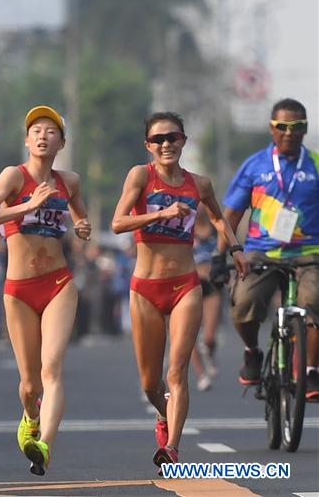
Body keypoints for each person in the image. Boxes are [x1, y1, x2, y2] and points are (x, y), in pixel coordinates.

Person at [111, 112, 247, 472]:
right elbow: (118, 222)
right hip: (145, 288)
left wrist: (236, 250)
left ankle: (171, 448)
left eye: (172, 137)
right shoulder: (141, 176)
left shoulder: (199, 184)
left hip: (185, 284)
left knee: (177, 371)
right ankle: (163, 413)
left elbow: (219, 218)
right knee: (150, 382)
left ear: (183, 140)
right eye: (157, 139)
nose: (165, 144)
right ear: (148, 146)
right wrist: (159, 215)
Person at [0, 106, 91, 477]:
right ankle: (29, 415)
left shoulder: (69, 181)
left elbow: (79, 215)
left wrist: (82, 225)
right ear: (27, 141)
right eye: (36, 130)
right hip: (19, 289)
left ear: (61, 142)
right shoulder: (13, 176)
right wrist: (28, 205)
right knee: (29, 384)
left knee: (52, 369)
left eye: (51, 131)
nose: (42, 136)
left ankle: (45, 446)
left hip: (58, 283)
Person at [213, 97, 319, 402]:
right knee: (243, 301)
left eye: (297, 126)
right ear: (272, 129)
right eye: (282, 126)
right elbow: (229, 216)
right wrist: (221, 256)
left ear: (305, 129)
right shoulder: (255, 165)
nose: (289, 132)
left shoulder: (315, 164)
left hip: (310, 253)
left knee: (314, 300)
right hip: (261, 253)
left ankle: (311, 370)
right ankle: (253, 352)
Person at [190, 204, 222, 392]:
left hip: (211, 286)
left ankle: (209, 354)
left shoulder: (215, 228)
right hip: (191, 285)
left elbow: (224, 250)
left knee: (209, 336)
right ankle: (201, 374)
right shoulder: (185, 227)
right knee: (190, 334)